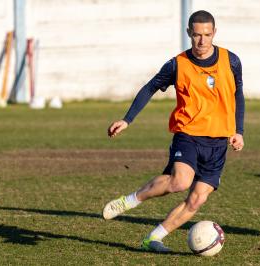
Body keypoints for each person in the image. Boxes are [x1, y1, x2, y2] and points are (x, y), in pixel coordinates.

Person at [102, 10, 245, 253]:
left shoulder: (231, 61)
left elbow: (237, 94)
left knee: (197, 199)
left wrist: (238, 130)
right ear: (189, 33)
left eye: (207, 35)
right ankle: (131, 200)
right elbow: (150, 87)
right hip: (188, 134)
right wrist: (128, 119)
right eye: (197, 35)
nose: (202, 41)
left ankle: (153, 238)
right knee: (179, 182)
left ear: (214, 33)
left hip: (219, 142)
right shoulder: (177, 64)